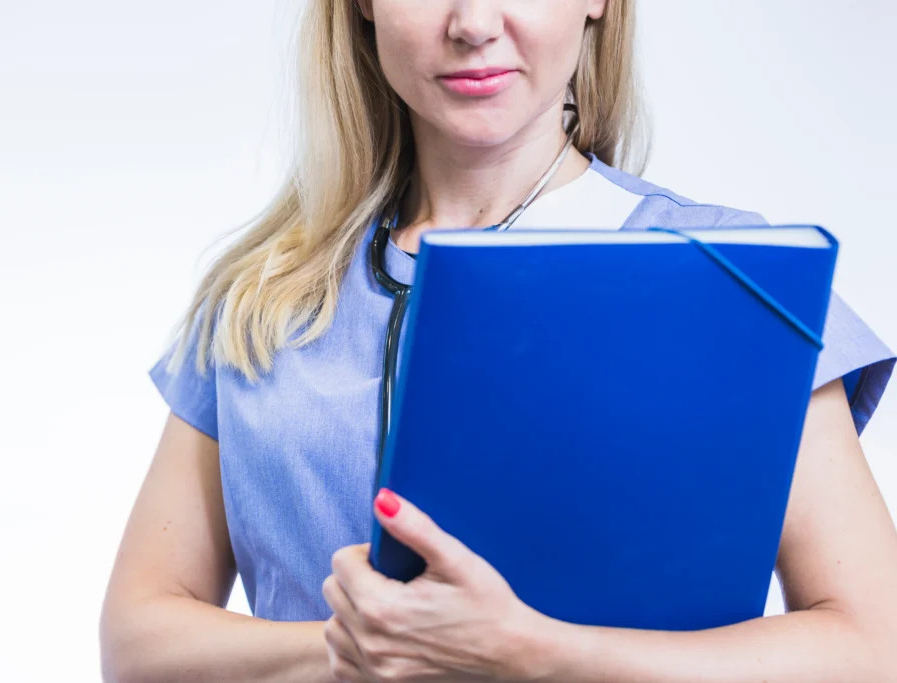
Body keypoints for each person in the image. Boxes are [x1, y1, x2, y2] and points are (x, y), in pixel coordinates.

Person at [99, 1, 897, 681]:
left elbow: (871, 644)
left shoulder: (736, 277)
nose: (473, 24)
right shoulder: (266, 294)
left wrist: (534, 650)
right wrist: (364, 644)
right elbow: (137, 636)